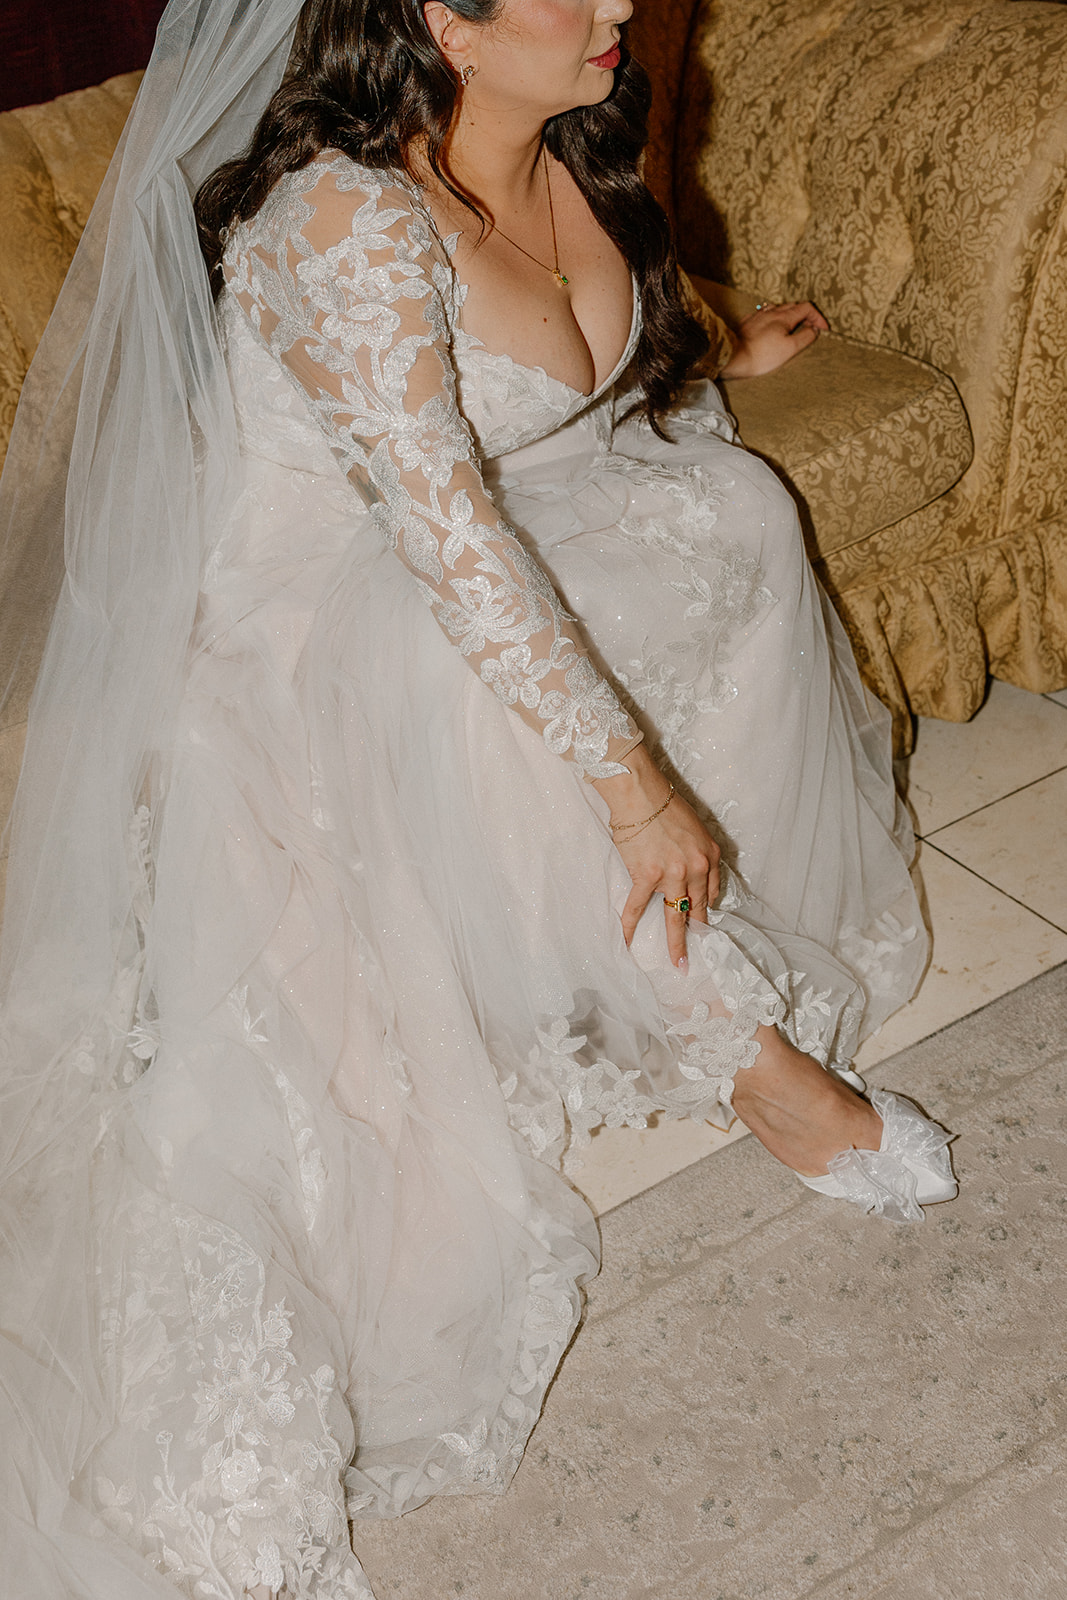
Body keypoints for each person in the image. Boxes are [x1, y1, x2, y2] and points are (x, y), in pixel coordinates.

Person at [0, 0, 957, 1595]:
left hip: (466, 562)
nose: (610, 9)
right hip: (300, 647)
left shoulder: (575, 133)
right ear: (442, 17)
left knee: (725, 499)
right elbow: (450, 548)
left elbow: (576, 389)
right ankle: (751, 1062)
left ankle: (584, 958)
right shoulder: (343, 220)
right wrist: (638, 784)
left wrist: (716, 346)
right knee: (469, 681)